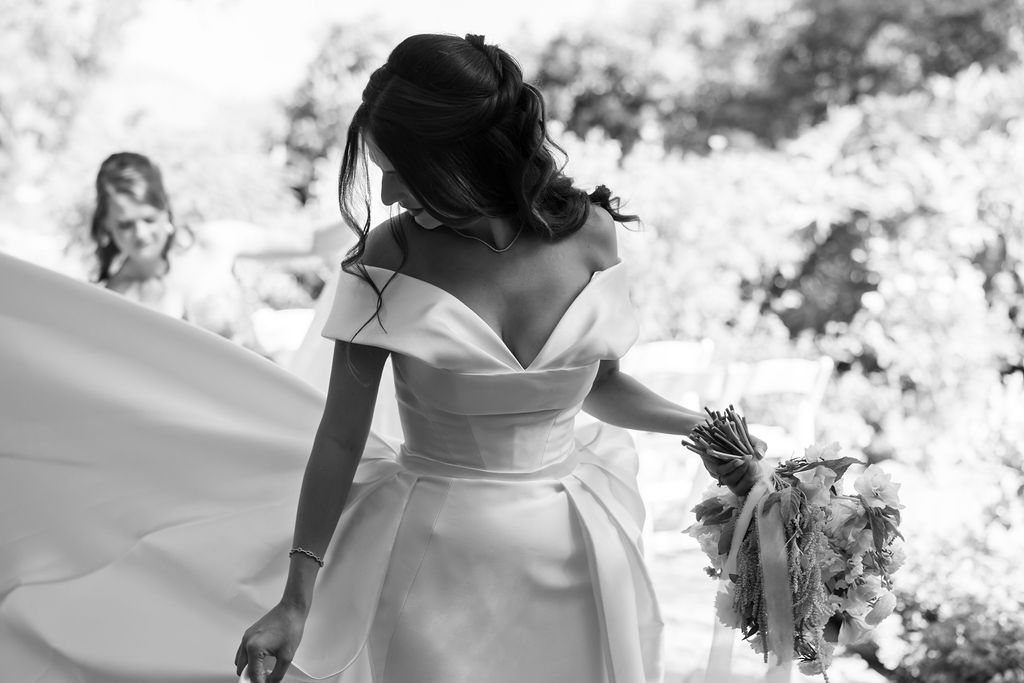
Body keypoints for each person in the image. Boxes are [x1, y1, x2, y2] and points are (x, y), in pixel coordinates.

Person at [234, 33, 761, 683]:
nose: (392, 192)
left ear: (466, 156)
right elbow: (341, 436)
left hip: (575, 561)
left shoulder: (592, 233)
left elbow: (602, 384)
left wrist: (699, 427)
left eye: (402, 169)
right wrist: (295, 599)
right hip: (432, 568)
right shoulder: (384, 257)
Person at [89, 151, 263, 351]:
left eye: (149, 219)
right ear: (107, 225)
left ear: (164, 208)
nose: (141, 234)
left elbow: (306, 248)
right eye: (125, 225)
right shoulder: (116, 299)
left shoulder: (213, 241)